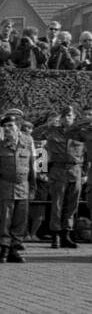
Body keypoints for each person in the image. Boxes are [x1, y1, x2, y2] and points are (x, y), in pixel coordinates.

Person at [33, 105, 89, 249]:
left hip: (75, 170)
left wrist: (85, 173)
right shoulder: (52, 131)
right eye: (65, 116)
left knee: (72, 205)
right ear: (61, 118)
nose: (67, 119)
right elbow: (36, 136)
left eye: (70, 116)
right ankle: (56, 235)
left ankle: (66, 234)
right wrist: (49, 123)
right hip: (58, 170)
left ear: (75, 118)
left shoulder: (81, 133)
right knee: (57, 205)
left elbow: (87, 153)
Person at [0, 114, 36, 263]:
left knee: (20, 221)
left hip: (23, 188)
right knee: (5, 220)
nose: (7, 129)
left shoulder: (27, 144)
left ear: (18, 128)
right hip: (5, 188)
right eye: (5, 126)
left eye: (10, 126)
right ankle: (4, 248)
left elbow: (32, 169)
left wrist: (33, 188)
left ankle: (15, 247)